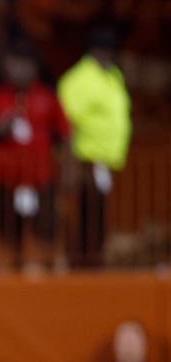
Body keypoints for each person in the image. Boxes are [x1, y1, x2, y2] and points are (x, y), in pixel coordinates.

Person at [0, 42, 70, 265]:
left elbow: (65, 134)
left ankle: (45, 269)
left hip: (41, 177)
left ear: (35, 67)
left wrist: (69, 170)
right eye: (14, 64)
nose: (19, 70)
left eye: (25, 64)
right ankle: (11, 270)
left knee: (46, 227)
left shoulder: (48, 97)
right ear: (6, 66)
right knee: (6, 230)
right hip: (5, 177)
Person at [57, 29, 132, 266]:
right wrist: (69, 163)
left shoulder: (113, 75)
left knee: (99, 213)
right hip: (85, 158)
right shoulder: (80, 79)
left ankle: (96, 258)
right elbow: (66, 123)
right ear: (95, 52)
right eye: (106, 52)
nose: (110, 57)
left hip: (107, 160)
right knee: (86, 212)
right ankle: (83, 261)